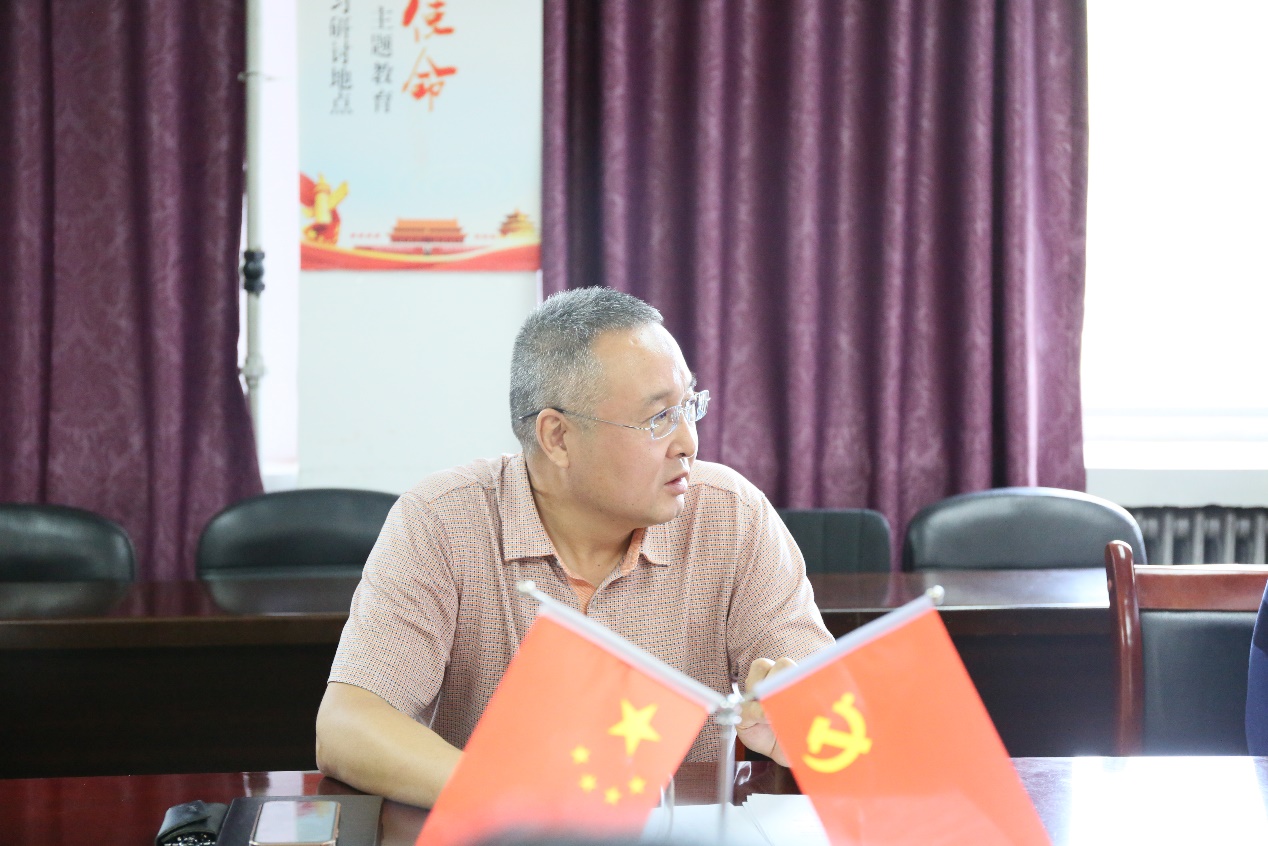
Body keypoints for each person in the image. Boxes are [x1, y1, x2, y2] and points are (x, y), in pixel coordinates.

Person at [315, 287, 833, 808]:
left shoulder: (729, 516)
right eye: (658, 419)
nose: (688, 443)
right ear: (558, 437)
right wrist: (520, 803)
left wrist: (797, 729)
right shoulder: (445, 520)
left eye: (689, 406)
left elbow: (829, 712)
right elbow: (348, 724)